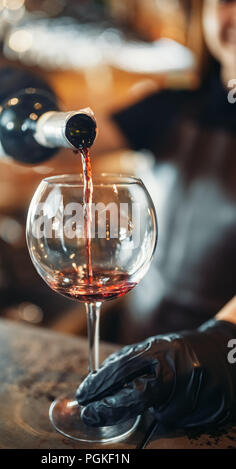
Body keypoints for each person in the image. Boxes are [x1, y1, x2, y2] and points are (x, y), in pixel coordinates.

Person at [76, 0, 236, 429]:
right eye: (226, 0)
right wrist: (30, 124)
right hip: (139, 347)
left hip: (221, 376)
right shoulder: (169, 106)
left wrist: (223, 343)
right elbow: (71, 142)